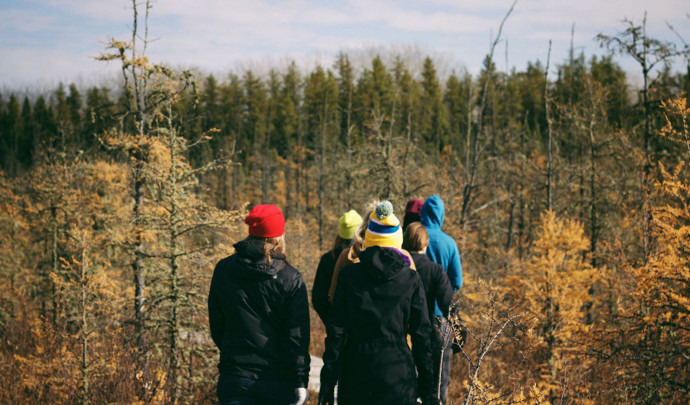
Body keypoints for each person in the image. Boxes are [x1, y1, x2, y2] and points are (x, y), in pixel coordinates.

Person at [319, 201, 438, 405]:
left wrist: (327, 385)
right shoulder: (410, 279)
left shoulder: (349, 276)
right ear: (397, 240)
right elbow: (422, 336)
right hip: (399, 375)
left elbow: (336, 334)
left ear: (369, 238)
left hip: (356, 374)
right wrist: (429, 392)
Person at [208, 204, 310, 405]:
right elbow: (297, 337)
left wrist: (233, 353)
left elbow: (217, 324)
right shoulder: (290, 278)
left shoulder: (224, 269)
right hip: (278, 380)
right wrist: (300, 380)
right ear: (278, 237)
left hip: (235, 375)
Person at [402, 221, 454, 397]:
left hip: (399, 334)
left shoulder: (398, 268)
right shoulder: (435, 271)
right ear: (426, 243)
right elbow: (449, 304)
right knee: (432, 387)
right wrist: (460, 335)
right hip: (428, 332)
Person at [420, 195, 462, 404]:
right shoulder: (449, 244)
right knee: (440, 377)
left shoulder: (414, 239)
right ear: (442, 215)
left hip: (414, 315)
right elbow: (457, 282)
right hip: (440, 317)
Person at [312, 209, 363, 325]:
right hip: (362, 329)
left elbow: (318, 298)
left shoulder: (327, 259)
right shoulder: (365, 257)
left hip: (336, 330)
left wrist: (331, 321)